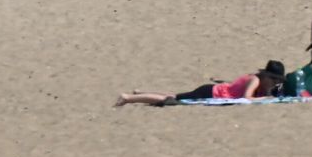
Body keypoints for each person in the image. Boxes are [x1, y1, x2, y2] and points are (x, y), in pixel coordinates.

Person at [114, 60, 285, 106]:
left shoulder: (260, 81)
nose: (275, 83)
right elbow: (247, 98)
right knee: (171, 100)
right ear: (266, 76)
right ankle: (128, 98)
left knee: (173, 95)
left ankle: (140, 92)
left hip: (212, 91)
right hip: (210, 93)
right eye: (274, 79)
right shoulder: (255, 80)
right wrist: (264, 99)